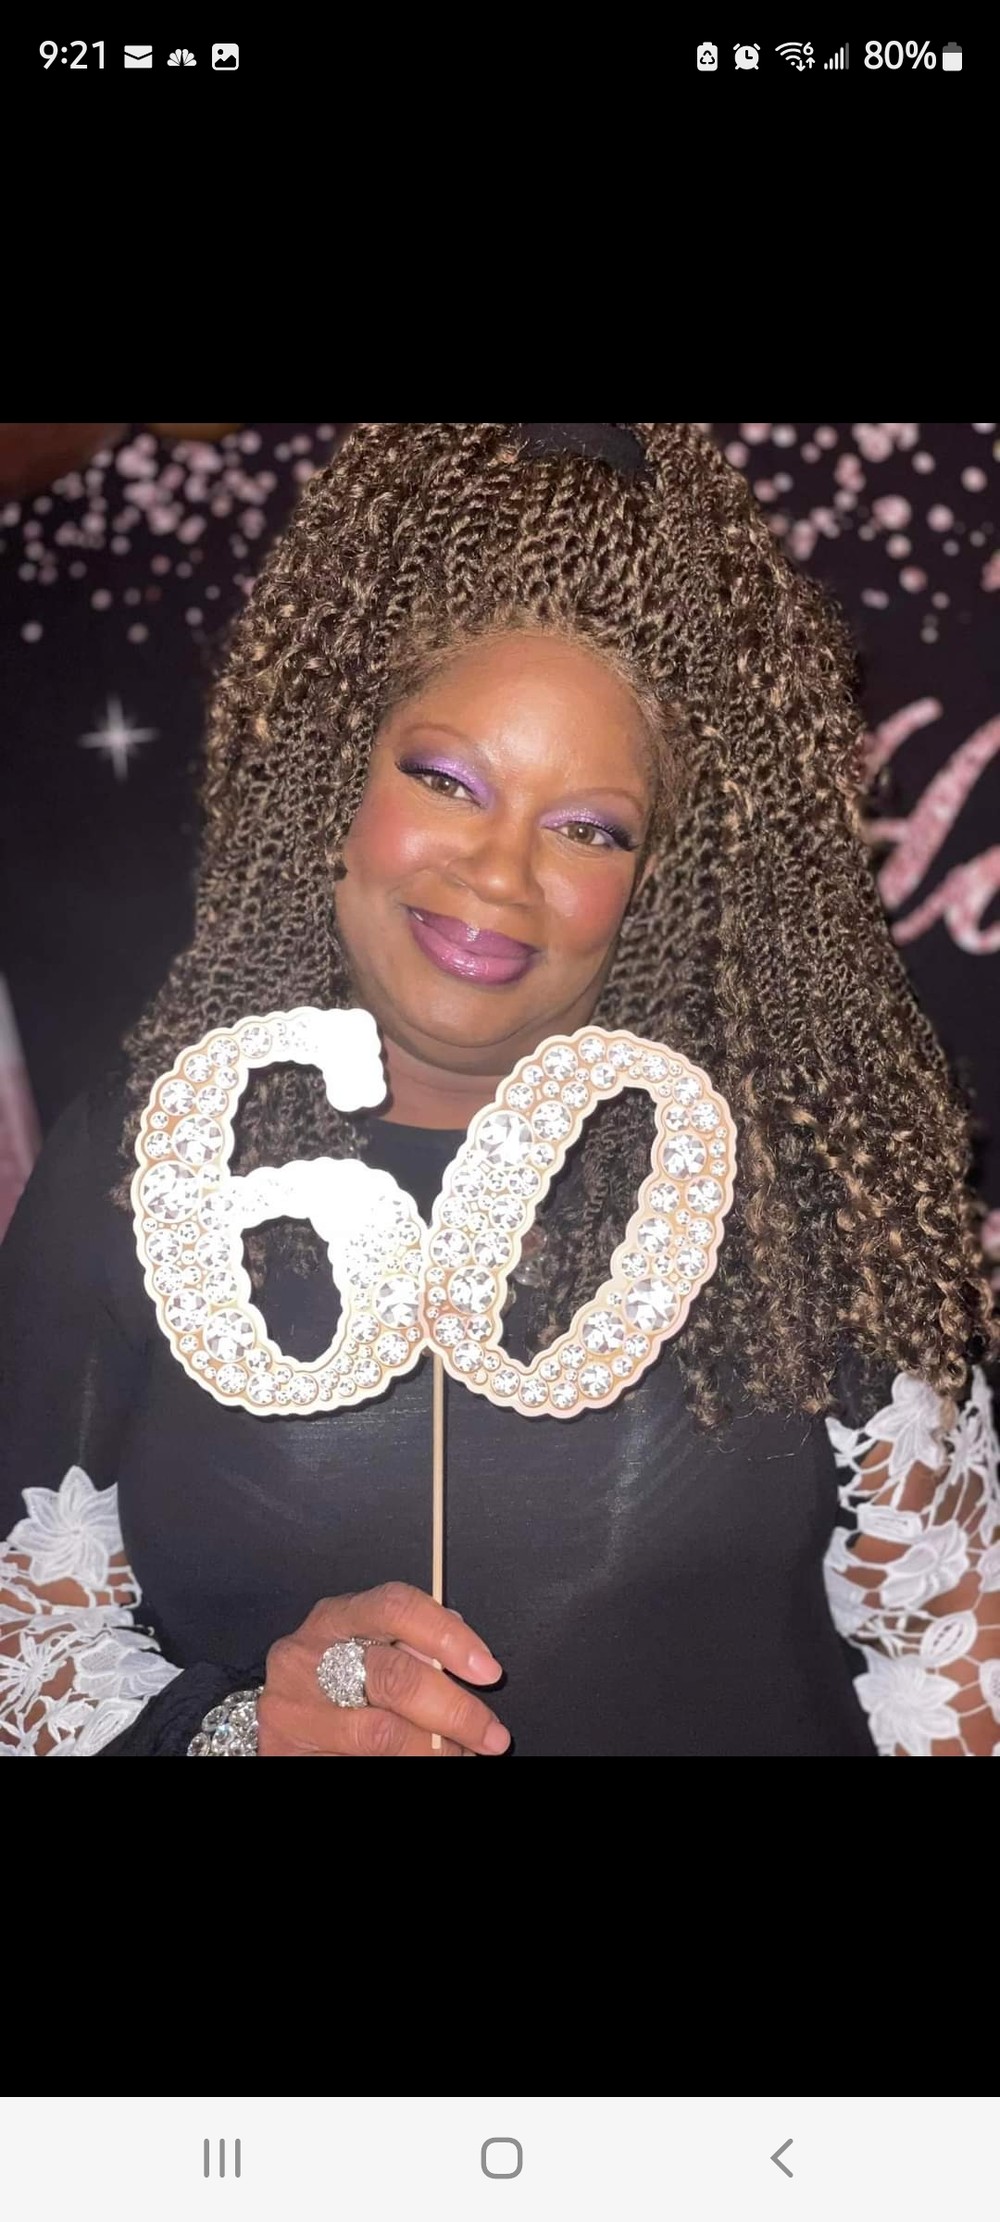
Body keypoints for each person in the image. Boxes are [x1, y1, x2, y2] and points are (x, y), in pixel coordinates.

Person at [2, 420, 999, 1760]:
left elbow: (957, 1661)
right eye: (446, 780)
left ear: (660, 879)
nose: (499, 871)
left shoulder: (799, 1188)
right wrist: (238, 1731)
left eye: (588, 827)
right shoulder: (142, 1171)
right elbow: (28, 1646)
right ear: (336, 775)